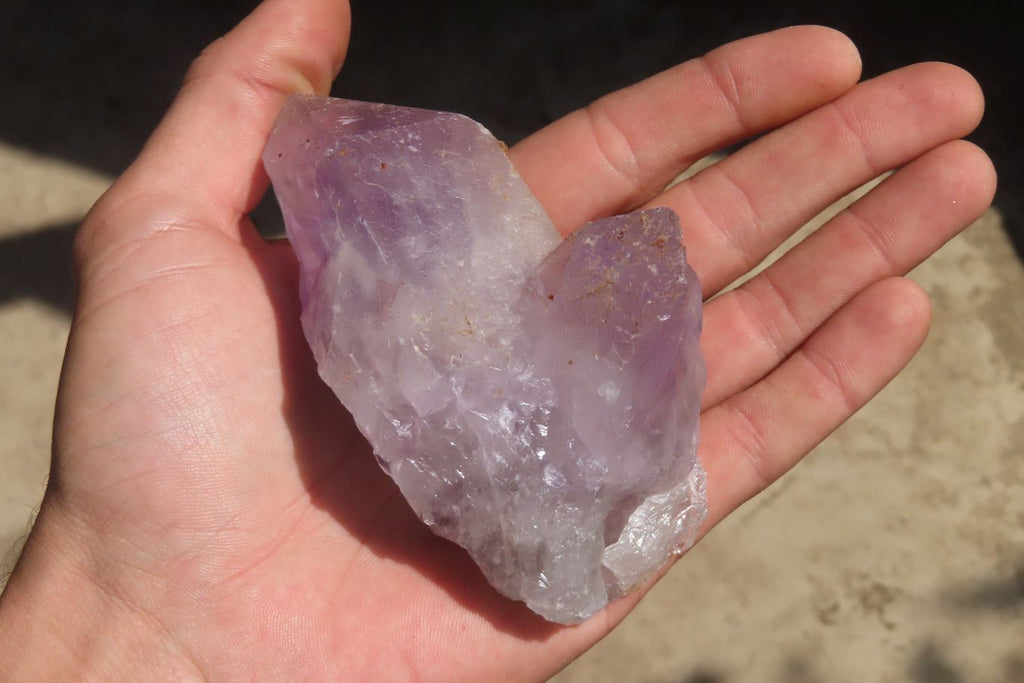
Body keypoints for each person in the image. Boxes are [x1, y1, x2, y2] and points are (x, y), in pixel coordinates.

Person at [0, 0, 995, 679]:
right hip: (544, 488)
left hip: (568, 485)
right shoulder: (370, 191)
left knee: (623, 281)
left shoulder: (370, 182)